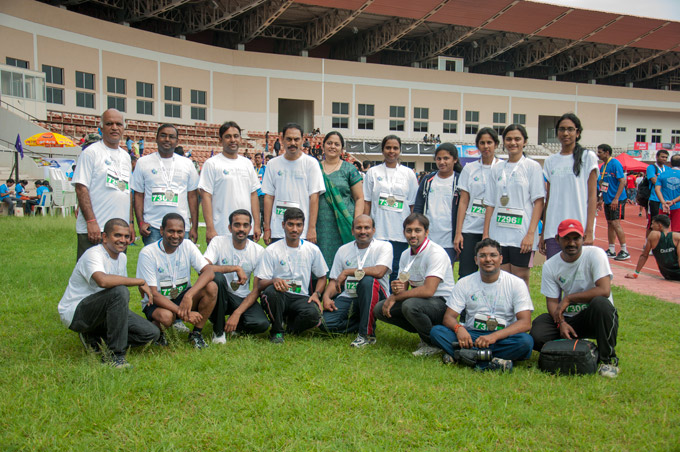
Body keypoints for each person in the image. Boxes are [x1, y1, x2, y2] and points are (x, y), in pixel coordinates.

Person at [58, 219, 160, 368]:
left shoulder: (122, 257)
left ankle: (96, 338)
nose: (123, 240)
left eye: (126, 236)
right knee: (120, 291)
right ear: (105, 237)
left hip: (104, 309)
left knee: (151, 333)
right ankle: (114, 357)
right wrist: (140, 281)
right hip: (77, 313)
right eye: (117, 235)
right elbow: (103, 281)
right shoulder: (93, 254)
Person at [530, 219, 620, 378]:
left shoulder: (596, 254)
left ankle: (608, 359)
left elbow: (604, 290)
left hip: (594, 317)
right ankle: (575, 346)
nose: (571, 243)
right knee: (538, 331)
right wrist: (561, 323)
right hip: (569, 318)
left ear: (583, 239)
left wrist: (569, 299)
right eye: (566, 238)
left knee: (602, 304)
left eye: (576, 238)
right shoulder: (550, 265)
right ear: (557, 239)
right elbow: (552, 302)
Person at [430, 238, 534, 372]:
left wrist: (494, 337)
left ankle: (465, 356)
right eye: (483, 256)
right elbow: (449, 317)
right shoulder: (465, 283)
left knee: (525, 341)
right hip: (472, 335)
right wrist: (459, 329)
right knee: (437, 332)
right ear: (476, 260)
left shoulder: (516, 283)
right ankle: (494, 361)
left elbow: (525, 323)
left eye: (493, 255)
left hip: (502, 336)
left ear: (501, 259)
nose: (488, 259)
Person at [373, 213, 455, 356]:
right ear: (404, 232)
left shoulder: (435, 253)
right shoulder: (406, 254)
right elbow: (403, 288)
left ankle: (433, 343)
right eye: (409, 230)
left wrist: (396, 297)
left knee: (409, 305)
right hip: (421, 301)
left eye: (418, 230)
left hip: (442, 302)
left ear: (426, 232)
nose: (413, 235)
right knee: (380, 309)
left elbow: (429, 290)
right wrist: (396, 289)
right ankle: (426, 330)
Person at [136, 213, 217, 349]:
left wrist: (189, 295)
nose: (175, 236)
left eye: (180, 232)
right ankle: (157, 332)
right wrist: (183, 312)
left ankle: (196, 334)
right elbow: (153, 294)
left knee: (211, 287)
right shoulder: (148, 253)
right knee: (166, 317)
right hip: (157, 301)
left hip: (181, 297)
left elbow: (209, 271)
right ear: (161, 231)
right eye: (171, 231)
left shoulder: (187, 245)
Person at [483, 124, 545, 287]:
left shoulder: (532, 167)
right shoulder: (496, 169)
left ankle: (522, 306)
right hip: (498, 234)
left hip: (521, 234)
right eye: (509, 139)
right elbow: (490, 204)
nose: (513, 143)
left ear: (525, 142)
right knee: (500, 279)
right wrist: (486, 234)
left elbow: (539, 202)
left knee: (520, 279)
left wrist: (531, 234)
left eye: (517, 139)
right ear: (504, 142)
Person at [256, 207, 328, 343]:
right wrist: (273, 281)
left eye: (298, 225)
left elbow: (322, 277)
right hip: (280, 294)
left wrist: (316, 294)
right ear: (283, 225)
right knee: (271, 293)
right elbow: (260, 283)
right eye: (290, 224)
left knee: (314, 315)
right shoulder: (271, 250)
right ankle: (277, 332)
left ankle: (290, 328)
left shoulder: (312, 249)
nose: (295, 229)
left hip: (301, 296)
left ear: (303, 226)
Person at [321, 215, 392, 347]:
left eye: (367, 228)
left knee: (367, 281)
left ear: (374, 230)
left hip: (376, 296)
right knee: (325, 324)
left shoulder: (384, 246)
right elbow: (334, 280)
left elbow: (379, 271)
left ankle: (366, 335)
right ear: (352, 231)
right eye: (359, 228)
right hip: (349, 295)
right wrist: (326, 297)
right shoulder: (343, 250)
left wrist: (347, 271)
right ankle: (362, 321)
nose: (363, 231)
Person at [73, 108, 134, 260]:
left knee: (116, 271)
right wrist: (91, 221)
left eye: (118, 124)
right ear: (101, 128)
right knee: (92, 272)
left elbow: (127, 192)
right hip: (96, 228)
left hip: (119, 230)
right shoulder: (91, 153)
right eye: (109, 124)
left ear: (123, 128)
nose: (114, 128)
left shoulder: (126, 157)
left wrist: (130, 223)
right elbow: (81, 188)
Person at [204, 209, 270, 343]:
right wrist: (234, 268)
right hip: (220, 295)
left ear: (250, 228)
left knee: (262, 324)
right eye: (237, 225)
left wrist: (237, 313)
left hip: (241, 297)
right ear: (230, 227)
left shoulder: (258, 251)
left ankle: (234, 326)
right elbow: (203, 268)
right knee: (217, 278)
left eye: (245, 225)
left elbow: (257, 289)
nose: (241, 229)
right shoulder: (218, 242)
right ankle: (218, 332)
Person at [540, 113, 599, 259]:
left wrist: (589, 230)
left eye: (570, 129)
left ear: (577, 133)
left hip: (578, 230)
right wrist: (544, 233)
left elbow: (592, 197)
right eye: (562, 129)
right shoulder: (550, 161)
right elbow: (549, 200)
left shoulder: (587, 157)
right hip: (554, 231)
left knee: (577, 272)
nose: (565, 133)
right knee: (555, 270)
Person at [131, 123, 200, 246]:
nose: (167, 139)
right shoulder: (143, 162)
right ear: (156, 139)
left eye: (171, 137)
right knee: (153, 259)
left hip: (180, 227)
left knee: (180, 259)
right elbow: (138, 195)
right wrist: (140, 222)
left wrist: (194, 227)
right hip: (152, 226)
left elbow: (192, 196)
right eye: (163, 135)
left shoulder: (187, 164)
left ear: (177, 141)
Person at [363, 135, 419, 282]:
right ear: (382, 150)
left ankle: (394, 296)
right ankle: (378, 296)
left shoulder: (408, 174)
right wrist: (366, 227)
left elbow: (412, 205)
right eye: (388, 147)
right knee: (377, 270)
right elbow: (367, 202)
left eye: (395, 148)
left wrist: (412, 230)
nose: (391, 151)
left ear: (400, 150)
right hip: (378, 232)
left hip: (399, 232)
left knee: (396, 270)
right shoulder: (373, 172)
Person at [199, 121, 262, 244]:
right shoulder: (212, 164)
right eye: (228, 136)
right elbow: (206, 196)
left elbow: (253, 195)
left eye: (236, 136)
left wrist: (257, 225)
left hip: (246, 229)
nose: (233, 140)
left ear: (240, 139)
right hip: (221, 229)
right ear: (220, 140)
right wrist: (210, 228)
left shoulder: (247, 163)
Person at [261, 123, 325, 245]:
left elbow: (314, 198)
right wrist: (267, 228)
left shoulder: (311, 163)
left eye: (296, 139)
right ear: (282, 140)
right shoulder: (272, 164)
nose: (293, 143)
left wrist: (311, 228)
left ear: (302, 140)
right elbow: (268, 197)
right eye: (289, 139)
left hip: (302, 231)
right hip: (278, 229)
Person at [454, 128, 502, 278]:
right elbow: (463, 202)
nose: (486, 146)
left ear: (496, 144)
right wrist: (458, 233)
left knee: (491, 273)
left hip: (495, 228)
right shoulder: (469, 168)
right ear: (477, 146)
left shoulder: (503, 168)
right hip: (471, 228)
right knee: (466, 273)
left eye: (489, 142)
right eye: (482, 143)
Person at [316, 131, 364, 270]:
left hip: (344, 224)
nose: (332, 146)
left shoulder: (349, 169)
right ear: (323, 146)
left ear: (342, 149)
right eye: (329, 143)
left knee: (344, 262)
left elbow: (359, 198)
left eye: (337, 144)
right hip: (320, 224)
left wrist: (356, 222)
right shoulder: (315, 168)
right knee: (319, 263)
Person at [414, 143, 463, 264]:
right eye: (438, 158)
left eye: (446, 158)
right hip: (429, 236)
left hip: (449, 238)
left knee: (446, 271)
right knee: (425, 269)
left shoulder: (460, 180)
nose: (442, 162)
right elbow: (418, 208)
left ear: (455, 159)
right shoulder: (428, 180)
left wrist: (459, 234)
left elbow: (463, 208)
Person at [596, 144, 630, 260]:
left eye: (600, 152)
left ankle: (624, 250)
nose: (598, 154)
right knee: (610, 223)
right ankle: (611, 249)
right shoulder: (603, 167)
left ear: (607, 153)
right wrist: (601, 199)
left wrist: (616, 198)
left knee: (616, 223)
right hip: (608, 199)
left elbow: (622, 181)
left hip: (617, 199)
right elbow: (604, 184)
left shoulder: (615, 163)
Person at [626, 214, 680, 281]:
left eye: (653, 224)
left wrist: (635, 274)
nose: (651, 226)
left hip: (667, 274)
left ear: (659, 225)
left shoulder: (653, 235)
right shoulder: (677, 237)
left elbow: (644, 255)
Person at [654, 154, 680, 231]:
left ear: (670, 163)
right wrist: (673, 201)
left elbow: (657, 189)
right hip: (678, 206)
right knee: (677, 231)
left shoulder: (662, 174)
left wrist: (663, 202)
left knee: (661, 230)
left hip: (664, 206)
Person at [646, 149, 669, 234]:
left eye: (666, 157)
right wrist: (665, 182)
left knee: (664, 223)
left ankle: (661, 240)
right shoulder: (651, 168)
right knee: (653, 223)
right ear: (657, 157)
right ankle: (648, 241)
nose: (664, 159)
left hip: (665, 199)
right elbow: (654, 181)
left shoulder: (667, 169)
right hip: (654, 198)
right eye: (662, 157)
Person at [253, 152, 266, 232]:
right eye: (256, 158)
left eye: (259, 158)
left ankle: (264, 228)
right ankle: (258, 228)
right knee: (256, 211)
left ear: (262, 159)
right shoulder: (253, 169)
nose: (257, 159)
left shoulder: (264, 169)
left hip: (262, 193)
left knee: (263, 211)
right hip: (254, 194)